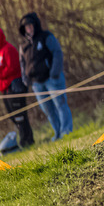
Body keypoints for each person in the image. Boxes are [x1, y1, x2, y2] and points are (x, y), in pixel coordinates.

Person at [18, 12, 73, 141]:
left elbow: (57, 53)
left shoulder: (46, 37)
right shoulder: (23, 46)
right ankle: (58, 133)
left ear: (35, 25)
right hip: (37, 83)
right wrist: (25, 79)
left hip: (52, 79)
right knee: (48, 110)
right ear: (24, 29)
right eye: (26, 27)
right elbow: (22, 63)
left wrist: (54, 73)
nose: (29, 28)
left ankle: (66, 131)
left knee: (60, 104)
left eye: (31, 25)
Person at [0, 26, 34, 148]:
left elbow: (12, 68)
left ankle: (26, 141)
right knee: (12, 115)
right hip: (4, 88)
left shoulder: (8, 49)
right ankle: (25, 138)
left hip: (14, 86)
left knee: (20, 115)